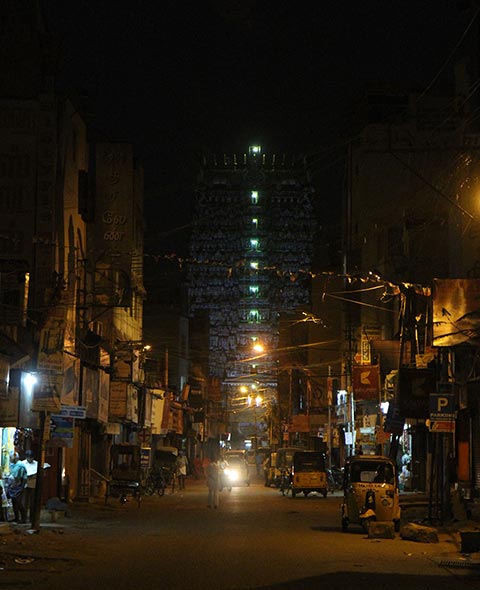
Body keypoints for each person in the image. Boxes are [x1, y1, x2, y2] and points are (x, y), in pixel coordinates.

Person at [7, 451, 27, 523]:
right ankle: (17, 518)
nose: (10, 459)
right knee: (14, 503)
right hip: (15, 486)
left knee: (18, 503)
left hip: (18, 486)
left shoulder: (19, 465)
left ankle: (23, 519)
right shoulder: (15, 465)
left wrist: (21, 487)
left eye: (10, 457)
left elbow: (20, 477)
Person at [21, 450, 38, 522]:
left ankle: (32, 518)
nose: (31, 459)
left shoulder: (36, 463)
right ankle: (23, 518)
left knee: (32, 503)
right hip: (25, 484)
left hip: (33, 484)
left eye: (32, 458)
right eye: (29, 458)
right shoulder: (22, 463)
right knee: (24, 502)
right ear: (26, 457)